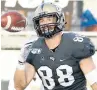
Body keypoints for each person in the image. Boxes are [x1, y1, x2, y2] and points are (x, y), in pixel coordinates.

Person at [14, 3, 97, 90]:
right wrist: (21, 61)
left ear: (59, 20)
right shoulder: (35, 48)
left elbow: (94, 82)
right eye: (41, 21)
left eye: (49, 19)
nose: (45, 24)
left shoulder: (76, 45)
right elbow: (19, 86)